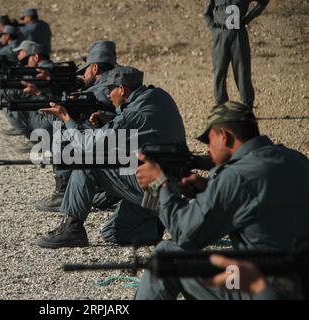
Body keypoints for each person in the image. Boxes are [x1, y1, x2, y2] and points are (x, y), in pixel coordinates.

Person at [134, 101, 309, 300]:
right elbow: (264, 200)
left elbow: (185, 233)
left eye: (209, 141)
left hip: (261, 286)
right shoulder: (296, 159)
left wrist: (160, 184)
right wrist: (211, 188)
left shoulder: (236, 176)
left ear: (224, 136)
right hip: (301, 280)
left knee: (167, 256)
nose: (208, 150)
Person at [36, 66, 187, 248]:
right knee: (112, 232)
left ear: (122, 89)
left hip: (154, 185)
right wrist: (109, 120)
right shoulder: (159, 96)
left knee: (88, 163)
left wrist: (66, 118)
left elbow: (88, 146)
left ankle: (72, 229)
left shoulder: (133, 113)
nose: (107, 95)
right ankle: (155, 222)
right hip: (168, 187)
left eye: (110, 90)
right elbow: (143, 128)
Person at [35, 40, 120, 213]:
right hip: (124, 153)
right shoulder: (118, 84)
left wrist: (64, 113)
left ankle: (63, 190)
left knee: (62, 124)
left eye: (86, 70)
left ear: (94, 68)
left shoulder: (98, 91)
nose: (84, 75)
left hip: (111, 153)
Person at [203, 0, 269, 109]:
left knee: (242, 70)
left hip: (239, 34)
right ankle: (222, 106)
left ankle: (247, 105)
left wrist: (248, 18)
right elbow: (207, 12)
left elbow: (263, 2)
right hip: (221, 33)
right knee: (219, 70)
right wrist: (214, 29)